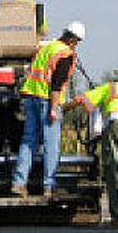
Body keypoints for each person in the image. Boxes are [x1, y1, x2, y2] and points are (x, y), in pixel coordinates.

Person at [63, 72, 118, 229]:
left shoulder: (111, 88)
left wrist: (62, 109)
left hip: (115, 127)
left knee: (115, 170)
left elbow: (81, 99)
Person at [11, 21, 86, 198]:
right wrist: (54, 108)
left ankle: (18, 183)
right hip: (47, 101)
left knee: (28, 141)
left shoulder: (46, 47)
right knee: (51, 145)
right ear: (74, 40)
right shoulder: (65, 54)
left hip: (31, 97)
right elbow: (57, 84)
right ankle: (49, 186)